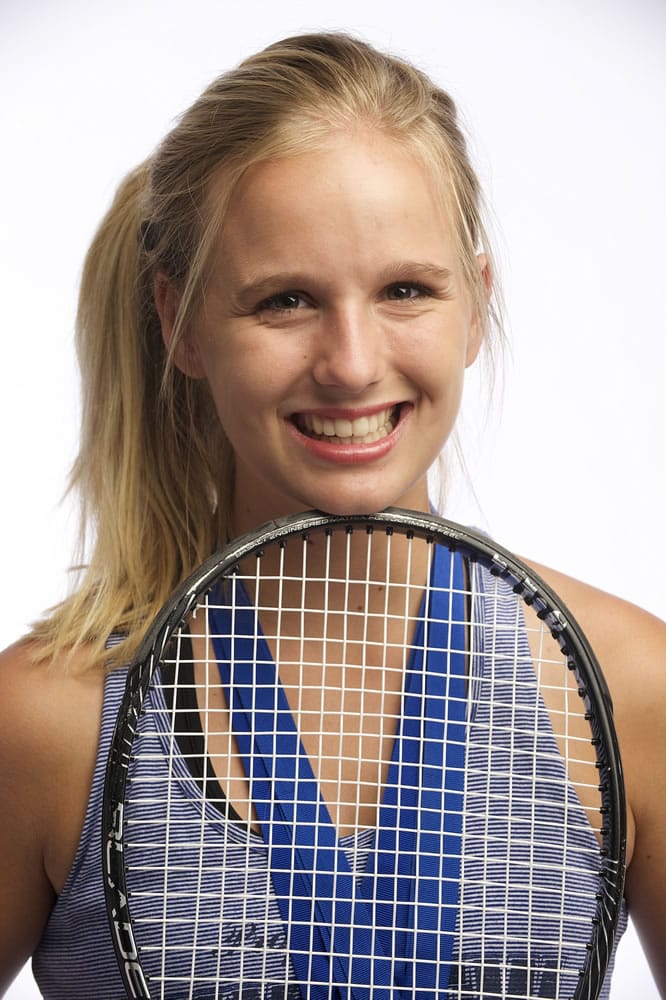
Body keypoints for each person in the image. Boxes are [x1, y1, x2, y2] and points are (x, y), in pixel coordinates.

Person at [0, 31, 664, 1000]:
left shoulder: (630, 688)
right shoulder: (47, 722)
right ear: (179, 322)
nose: (351, 362)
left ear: (476, 306)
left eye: (405, 289)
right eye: (285, 301)